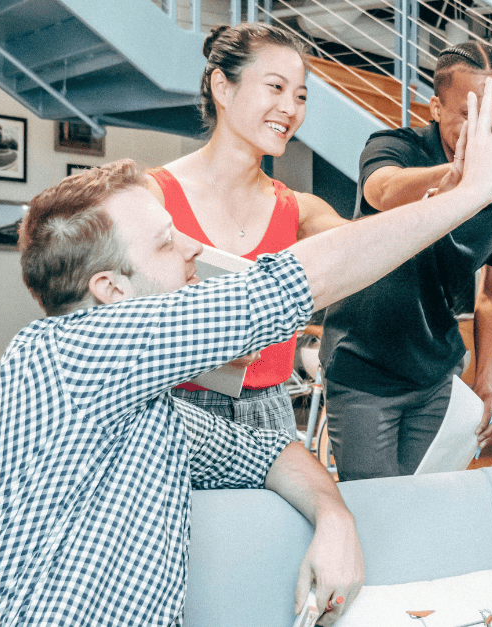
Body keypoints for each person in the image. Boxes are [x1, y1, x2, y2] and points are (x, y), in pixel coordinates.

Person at [0, 79, 492, 626]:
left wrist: (335, 516)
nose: (190, 250)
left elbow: (268, 448)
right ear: (109, 290)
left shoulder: (141, 408)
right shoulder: (62, 355)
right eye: (164, 242)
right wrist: (469, 193)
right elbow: (290, 284)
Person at [319, 42, 492, 480]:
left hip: (437, 375)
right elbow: (382, 190)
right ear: (435, 107)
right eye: (468, 116)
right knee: (377, 511)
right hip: (363, 370)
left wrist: (487, 382)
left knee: (427, 505)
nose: (484, 131)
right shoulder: (396, 146)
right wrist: (458, 178)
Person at [146, 23, 348, 431]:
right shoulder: (153, 197)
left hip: (271, 413)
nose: (291, 108)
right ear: (223, 87)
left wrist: (455, 198)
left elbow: (373, 248)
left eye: (300, 96)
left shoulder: (300, 210)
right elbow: (113, 315)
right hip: (173, 409)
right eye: (276, 87)